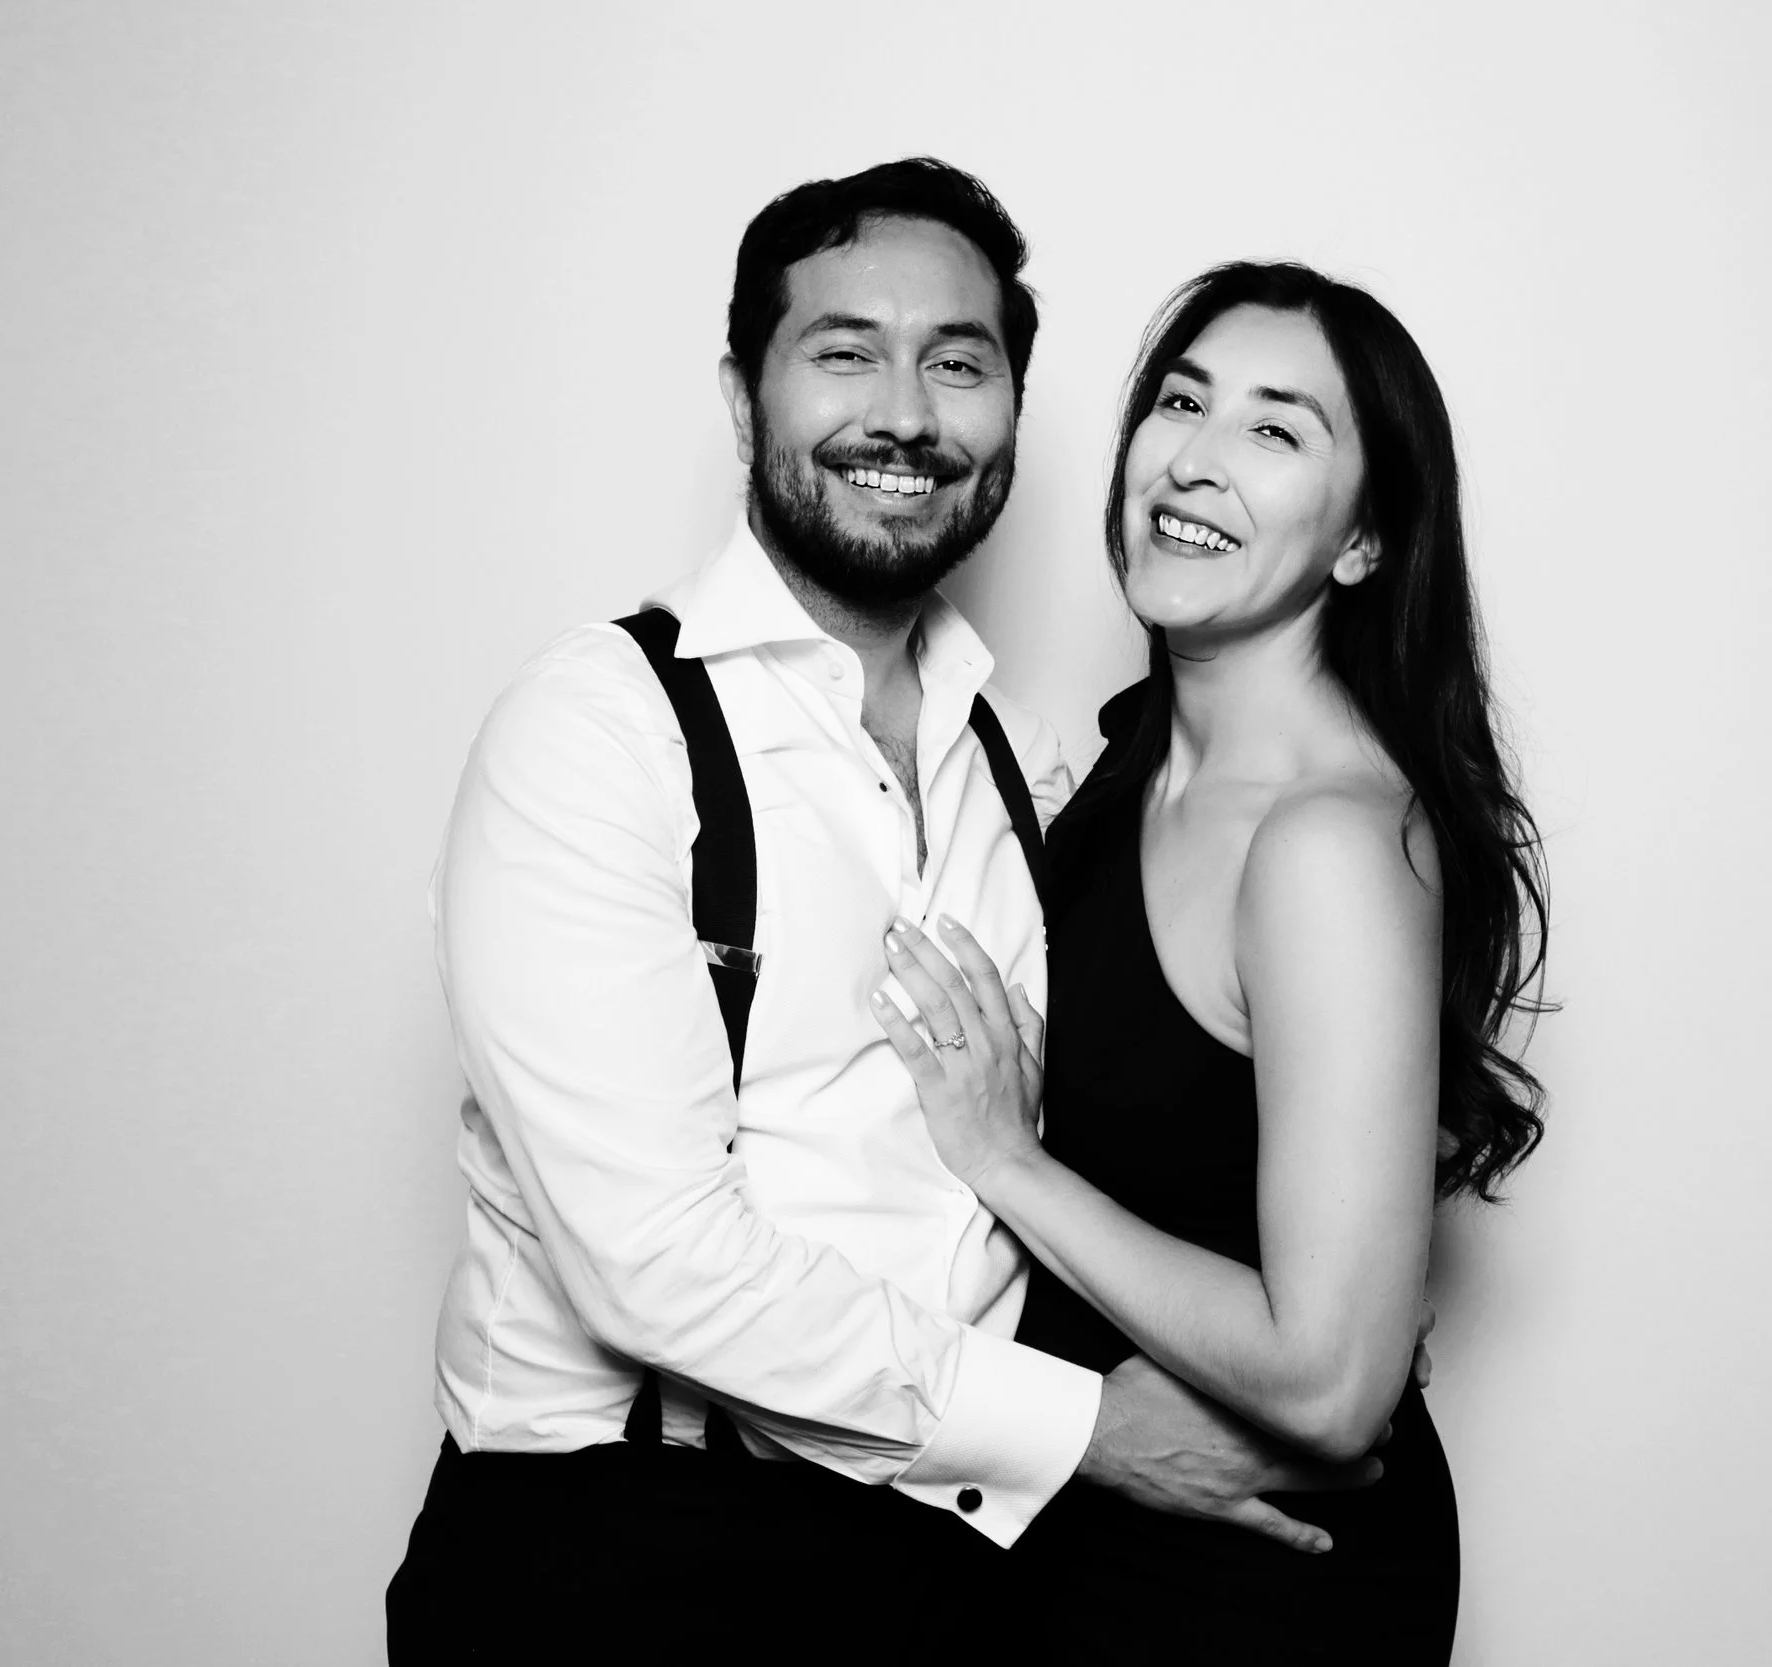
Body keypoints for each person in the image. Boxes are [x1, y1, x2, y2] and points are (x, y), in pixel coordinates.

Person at [383, 163, 1389, 1664]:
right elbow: (651, 1257)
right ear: (746, 398)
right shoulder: (600, 733)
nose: (907, 415)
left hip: (968, 1571)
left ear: (1011, 419)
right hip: (632, 1566)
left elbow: (1183, 1098)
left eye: (959, 364)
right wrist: (1082, 1429)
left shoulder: (1027, 761)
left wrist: (1349, 1316)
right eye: (846, 351)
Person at [871, 261, 1550, 1662]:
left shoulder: (1323, 844)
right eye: (1182, 400)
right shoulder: (1132, 760)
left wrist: (1007, 1163)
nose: (1195, 455)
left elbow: (1331, 1377)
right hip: (1086, 1515)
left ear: (1362, 543)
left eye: (1277, 428)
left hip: (1257, 1581)